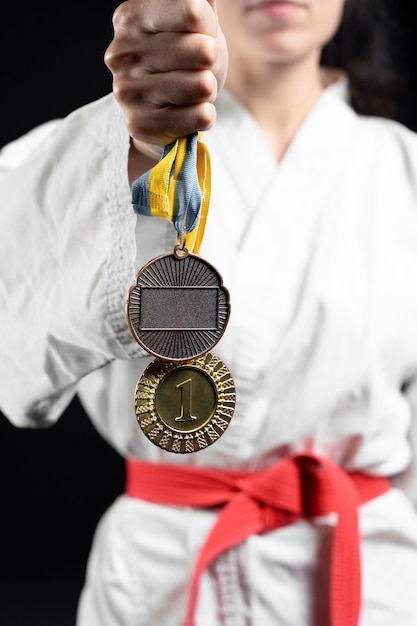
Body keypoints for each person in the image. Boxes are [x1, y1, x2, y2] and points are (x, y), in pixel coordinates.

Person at [1, 1, 417, 625]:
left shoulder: (403, 168)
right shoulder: (91, 151)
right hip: (160, 580)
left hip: (367, 576)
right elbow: (16, 335)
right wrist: (137, 145)